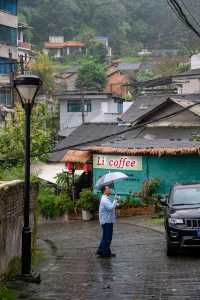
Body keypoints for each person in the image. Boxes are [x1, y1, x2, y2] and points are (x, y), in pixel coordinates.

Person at [96, 185, 119, 258]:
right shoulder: (104, 199)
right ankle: (105, 253)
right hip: (106, 221)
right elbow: (111, 207)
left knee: (106, 237)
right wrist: (115, 199)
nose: (109, 190)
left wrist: (116, 202)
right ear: (104, 191)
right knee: (107, 237)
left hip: (107, 220)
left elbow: (112, 206)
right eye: (108, 189)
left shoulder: (106, 198)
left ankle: (101, 251)